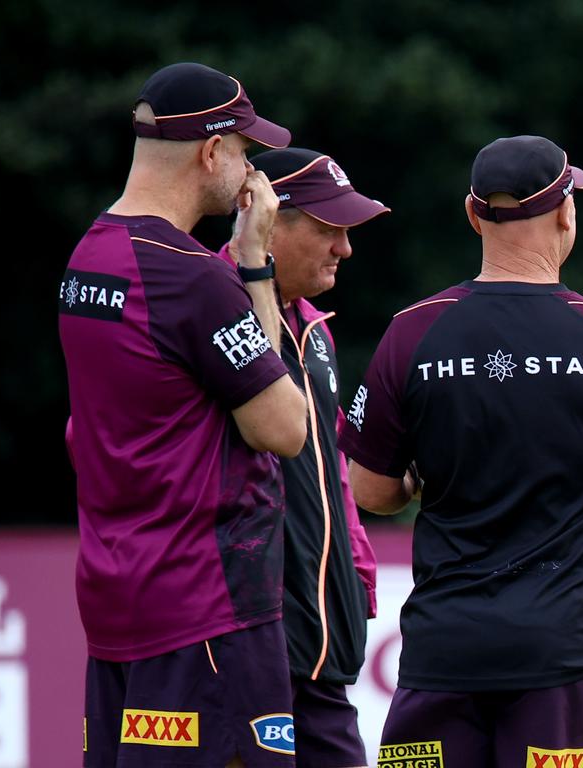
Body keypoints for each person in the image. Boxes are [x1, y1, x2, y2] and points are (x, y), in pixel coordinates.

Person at [338, 135, 583, 768]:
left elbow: (371, 491)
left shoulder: (411, 332)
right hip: (569, 656)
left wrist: (426, 482)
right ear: (566, 213)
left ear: (473, 215)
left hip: (443, 654)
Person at [59, 62, 307, 768]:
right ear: (211, 152)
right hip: (209, 616)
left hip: (117, 607)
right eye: (246, 152)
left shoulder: (88, 258)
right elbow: (284, 428)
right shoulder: (193, 275)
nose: (252, 170)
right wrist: (255, 265)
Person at [227, 147, 388, 768]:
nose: (344, 248)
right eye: (329, 229)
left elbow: (331, 463)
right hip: (247, 633)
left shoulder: (315, 327)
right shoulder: (215, 300)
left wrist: (358, 569)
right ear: (266, 219)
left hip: (322, 642)